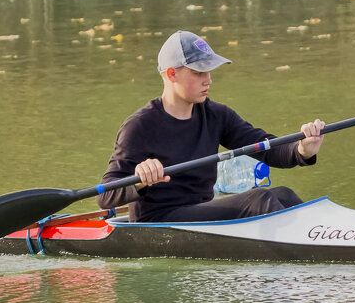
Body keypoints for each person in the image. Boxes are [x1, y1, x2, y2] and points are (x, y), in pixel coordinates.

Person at [96, 30, 325, 223]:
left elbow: (265, 146)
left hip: (200, 211)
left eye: (209, 71)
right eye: (198, 73)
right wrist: (139, 180)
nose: (208, 80)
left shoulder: (216, 115)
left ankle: (327, 237)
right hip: (157, 221)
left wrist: (302, 150)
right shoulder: (140, 126)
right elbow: (105, 196)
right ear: (171, 74)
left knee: (283, 194)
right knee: (259, 201)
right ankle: (313, 255)